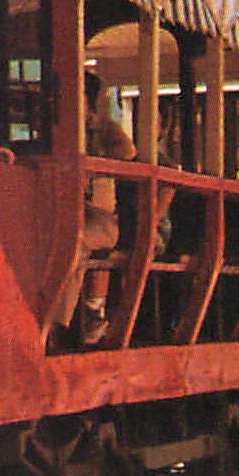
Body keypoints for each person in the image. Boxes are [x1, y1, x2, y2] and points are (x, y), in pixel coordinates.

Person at [56, 71, 138, 346]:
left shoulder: (104, 128)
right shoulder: (59, 129)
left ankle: (58, 322)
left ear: (88, 101)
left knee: (75, 241)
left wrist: (94, 161)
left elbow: (128, 152)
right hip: (65, 210)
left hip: (101, 220)